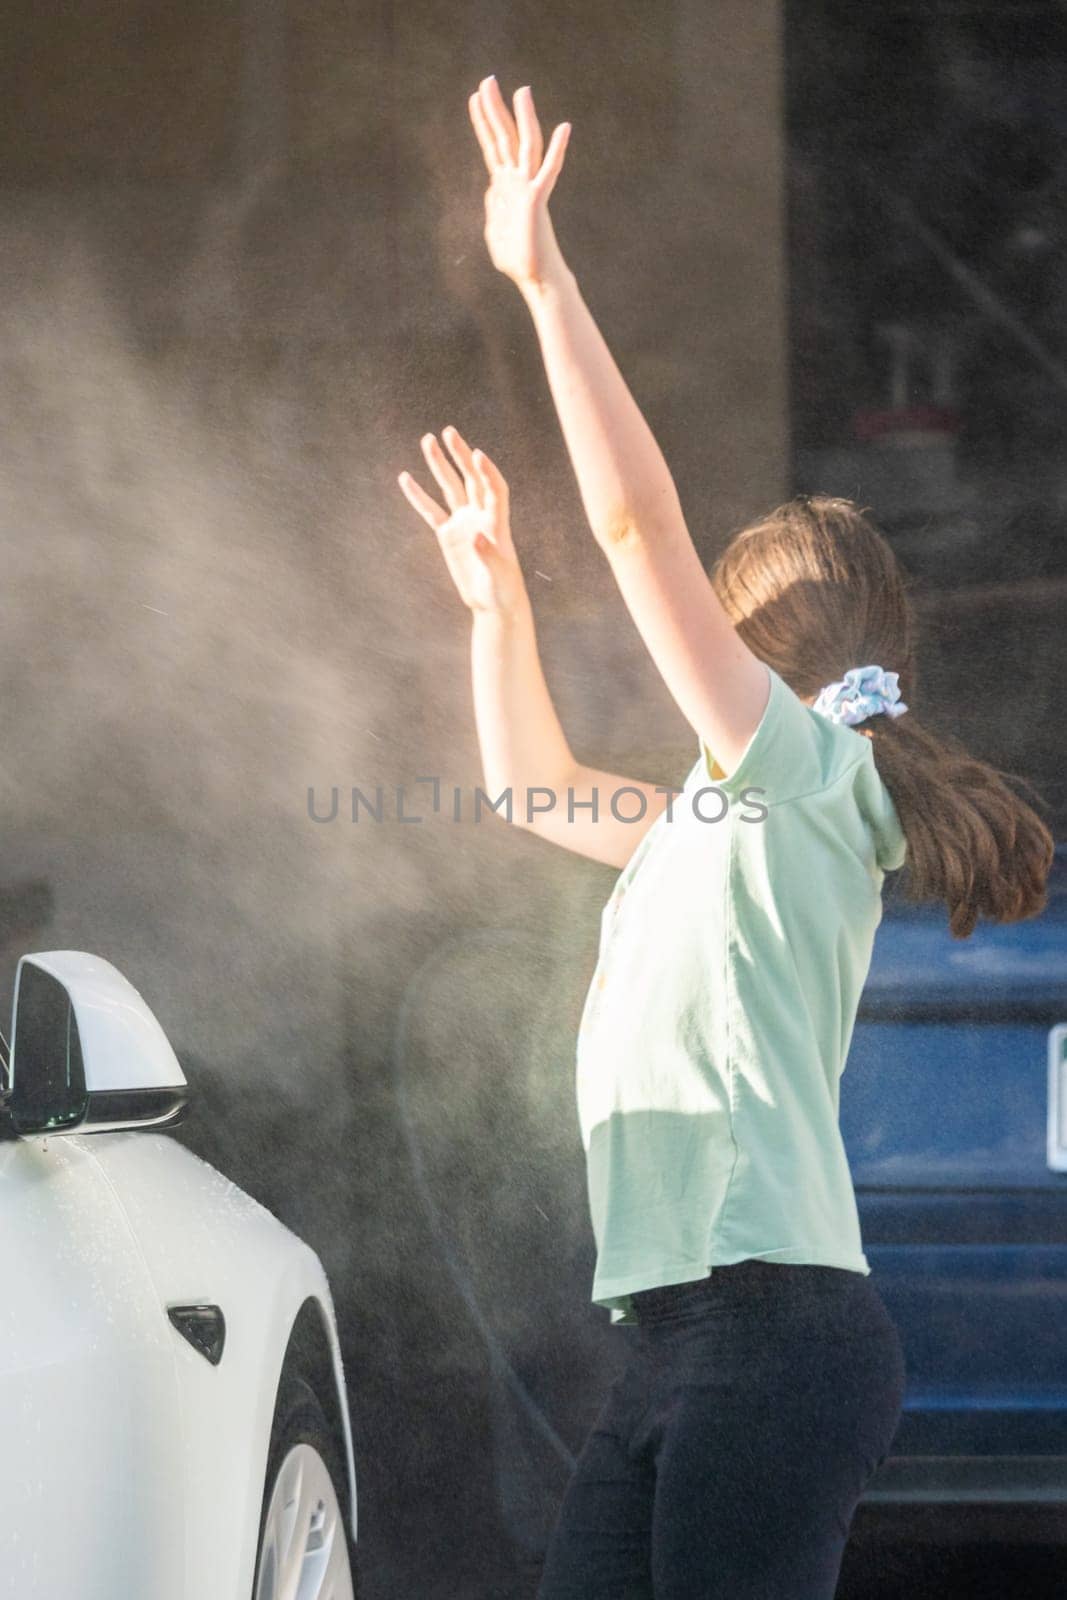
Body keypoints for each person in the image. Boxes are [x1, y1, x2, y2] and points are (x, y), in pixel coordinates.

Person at [396, 77, 1055, 1600]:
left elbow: (636, 530)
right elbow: (536, 793)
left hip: (775, 1341)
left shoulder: (801, 773)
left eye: (712, 629)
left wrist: (543, 282)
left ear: (761, 646)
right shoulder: (717, 818)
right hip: (683, 1342)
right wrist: (496, 610)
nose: (674, 648)